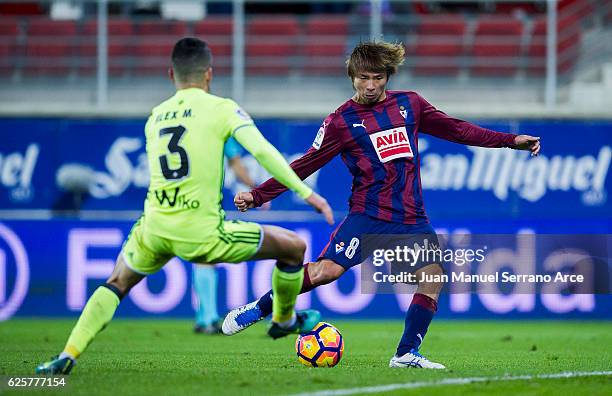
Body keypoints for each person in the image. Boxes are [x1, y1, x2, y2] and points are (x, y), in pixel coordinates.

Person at [223, 41, 541, 369]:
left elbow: (457, 130)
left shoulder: (410, 105)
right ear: (351, 77)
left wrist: (509, 141)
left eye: (378, 77)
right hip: (368, 215)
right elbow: (305, 164)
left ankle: (405, 355)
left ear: (388, 76)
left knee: (432, 277)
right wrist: (259, 195)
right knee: (325, 272)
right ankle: (259, 308)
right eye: (363, 78)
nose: (371, 85)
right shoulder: (340, 121)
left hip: (411, 217)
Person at [36, 37, 334, 375]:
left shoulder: (156, 117)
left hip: (154, 226)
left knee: (117, 281)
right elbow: (263, 150)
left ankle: (68, 353)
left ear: (170, 75)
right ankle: (282, 319)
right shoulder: (222, 108)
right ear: (209, 74)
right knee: (294, 248)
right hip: (200, 231)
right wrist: (307, 193)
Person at [192, 137, 269, 334]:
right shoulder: (220, 127)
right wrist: (256, 188)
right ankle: (208, 319)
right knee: (206, 254)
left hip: (177, 199)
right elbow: (235, 163)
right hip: (203, 199)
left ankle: (204, 316)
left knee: (201, 254)